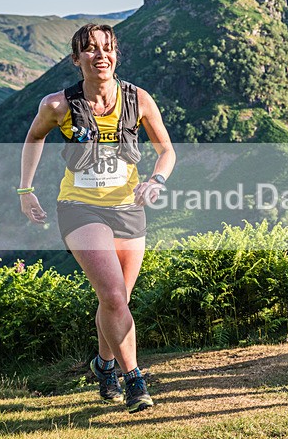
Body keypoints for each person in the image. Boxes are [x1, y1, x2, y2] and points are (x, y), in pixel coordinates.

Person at [19, 24, 176, 413]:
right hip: (79, 208)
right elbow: (34, 137)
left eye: (107, 48)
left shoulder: (138, 100)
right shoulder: (57, 105)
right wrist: (26, 190)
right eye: (89, 50)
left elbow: (167, 151)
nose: (100, 55)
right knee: (112, 294)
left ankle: (104, 365)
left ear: (116, 55)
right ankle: (134, 379)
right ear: (76, 59)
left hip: (128, 209)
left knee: (117, 300)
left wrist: (156, 180)